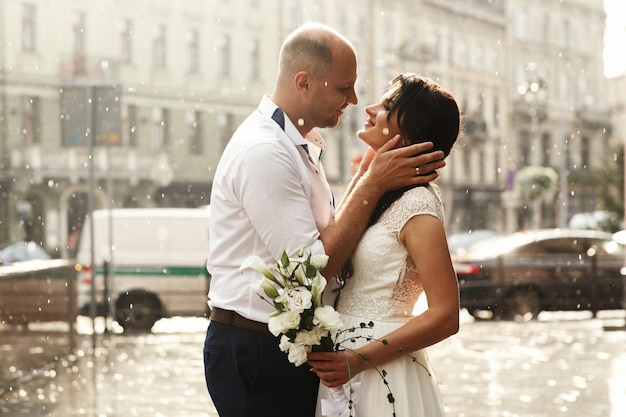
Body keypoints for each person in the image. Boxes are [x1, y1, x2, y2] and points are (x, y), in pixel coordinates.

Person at [203, 23, 445, 417]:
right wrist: (373, 181)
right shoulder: (266, 152)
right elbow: (308, 273)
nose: (354, 100)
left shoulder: (302, 145)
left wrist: (371, 177)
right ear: (304, 83)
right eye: (343, 87)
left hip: (300, 352)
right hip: (257, 349)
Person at [308, 73, 462, 417]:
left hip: (382, 370)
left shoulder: (417, 206)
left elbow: (446, 315)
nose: (371, 108)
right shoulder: (379, 195)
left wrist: (358, 360)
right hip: (343, 369)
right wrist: (370, 166)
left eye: (387, 106)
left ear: (409, 132)